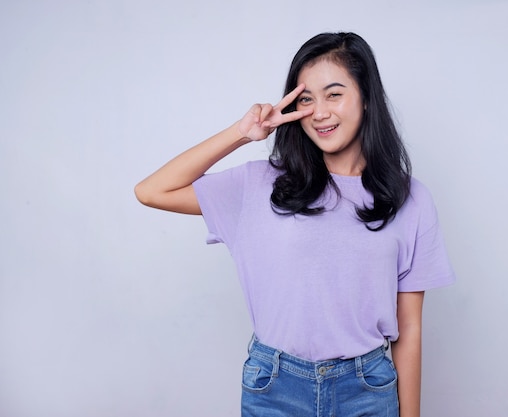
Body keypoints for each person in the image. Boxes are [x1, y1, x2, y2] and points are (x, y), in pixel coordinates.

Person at [135, 32, 455, 417]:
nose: (319, 112)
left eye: (334, 94)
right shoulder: (260, 184)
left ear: (366, 98)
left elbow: (409, 330)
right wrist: (241, 134)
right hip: (275, 388)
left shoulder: (410, 199)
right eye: (307, 99)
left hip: (368, 389)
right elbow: (152, 191)